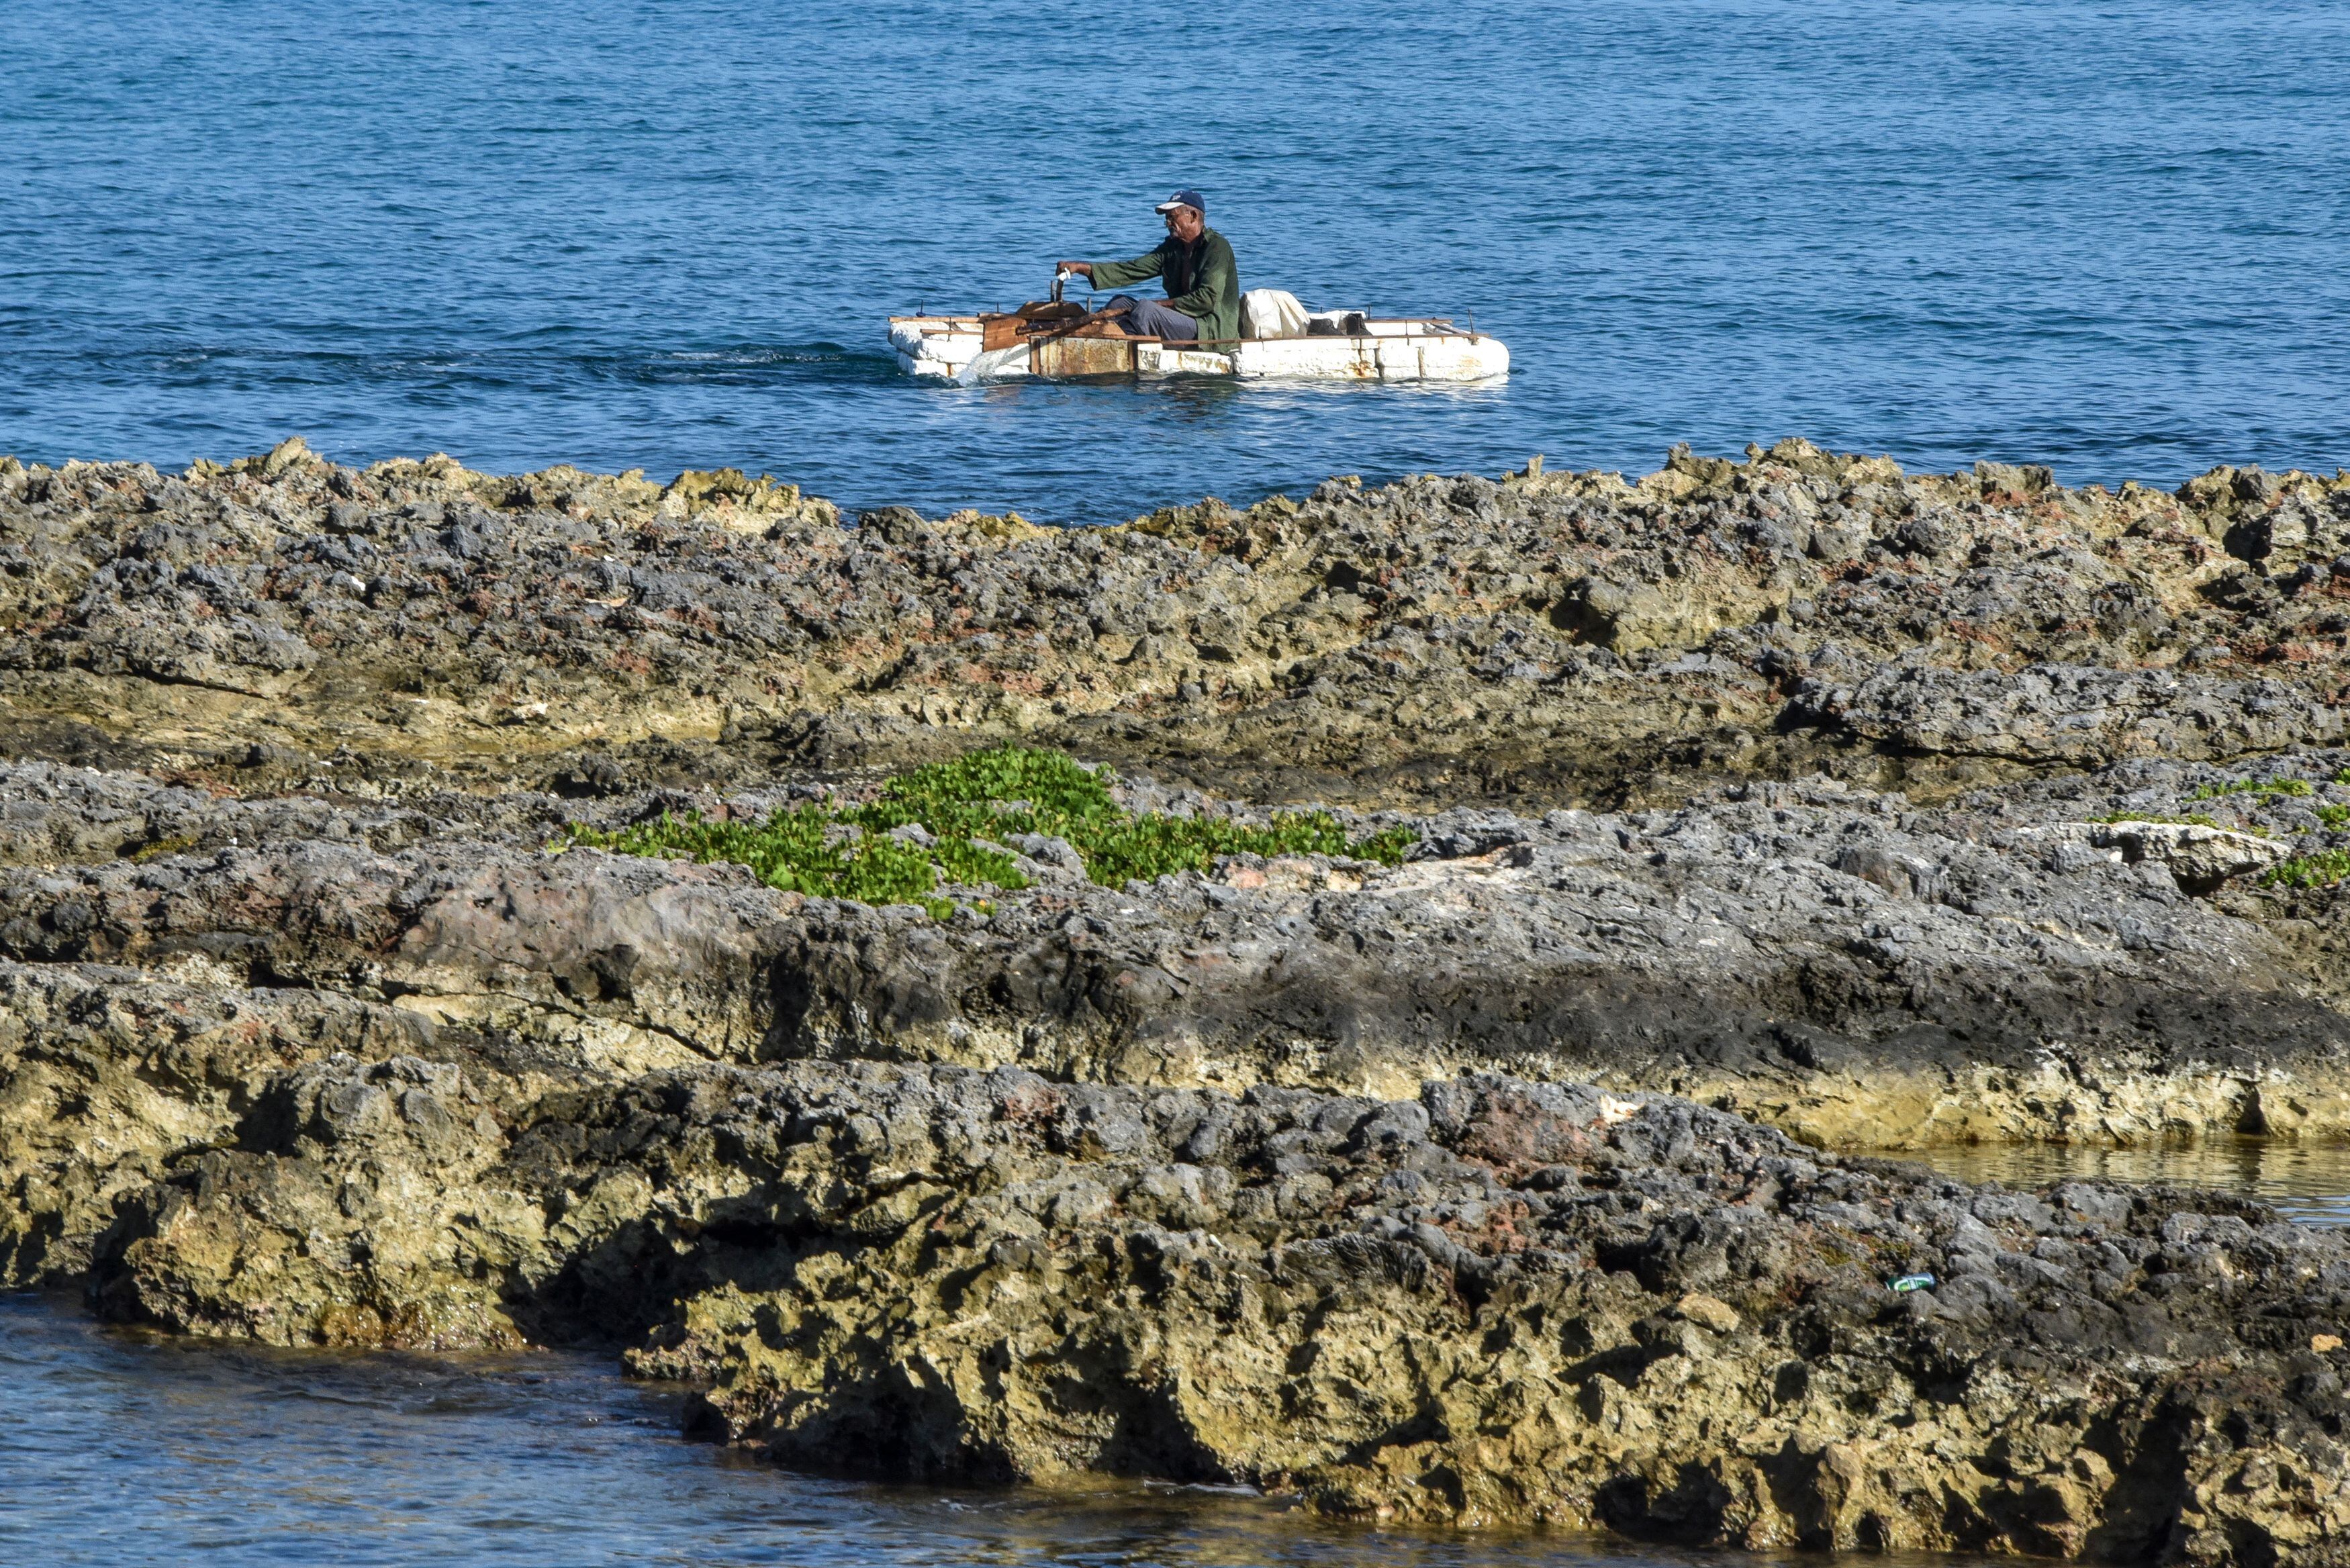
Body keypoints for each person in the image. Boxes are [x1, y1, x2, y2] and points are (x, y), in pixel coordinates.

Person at [1058, 190, 1239, 345]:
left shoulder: (1217, 248)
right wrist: (1082, 268)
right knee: (1118, 303)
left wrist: (1160, 305)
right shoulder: (1172, 249)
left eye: (1172, 218)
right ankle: (1102, 333)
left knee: (1146, 309)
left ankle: (1115, 339)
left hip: (1208, 329)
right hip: (1180, 318)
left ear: (1193, 216)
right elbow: (1132, 269)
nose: (1168, 223)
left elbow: (1207, 299)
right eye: (1167, 219)